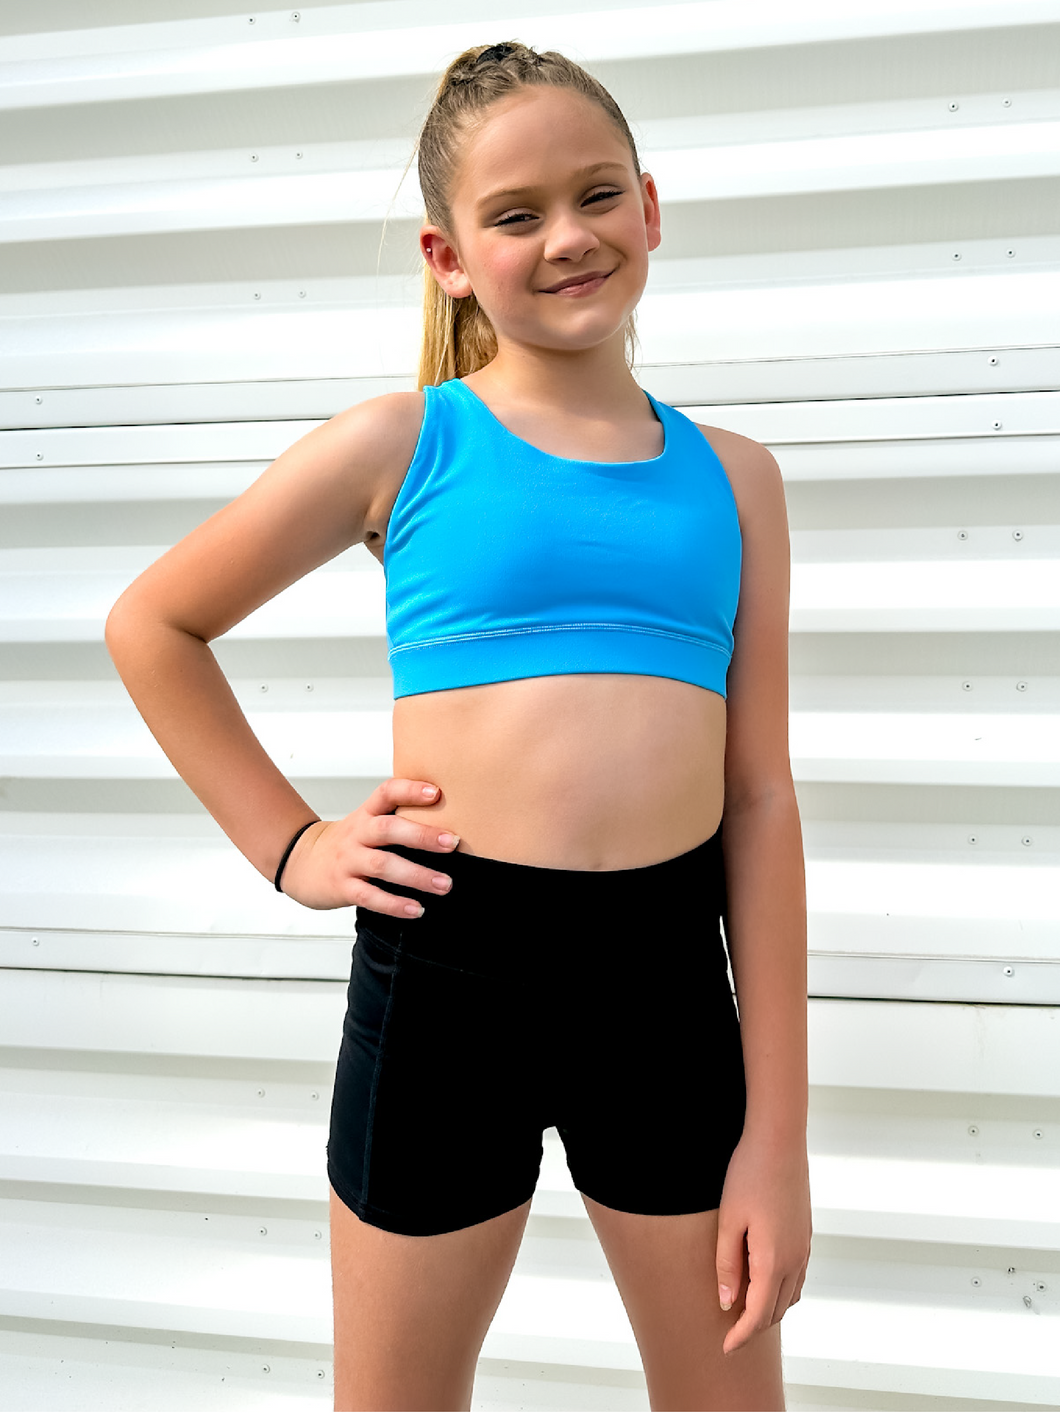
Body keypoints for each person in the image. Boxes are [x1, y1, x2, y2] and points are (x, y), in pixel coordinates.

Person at [106, 39, 812, 1413]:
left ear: (651, 210)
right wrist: (292, 844)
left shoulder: (738, 480)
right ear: (448, 255)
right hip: (448, 982)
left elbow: (764, 801)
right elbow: (155, 625)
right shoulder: (402, 445)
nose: (567, 238)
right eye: (515, 214)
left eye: (597, 195)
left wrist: (774, 1136)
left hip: (666, 994)